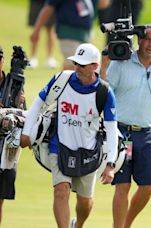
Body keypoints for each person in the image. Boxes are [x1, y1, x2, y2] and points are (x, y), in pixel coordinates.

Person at [20, 43, 118, 228]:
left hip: (88, 152)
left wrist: (110, 164)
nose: (77, 68)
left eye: (82, 65)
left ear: (94, 66)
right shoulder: (62, 80)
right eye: (76, 63)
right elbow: (38, 103)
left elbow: (111, 129)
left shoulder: (104, 92)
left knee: (85, 202)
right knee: (61, 191)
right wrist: (26, 132)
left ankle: (78, 224)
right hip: (59, 146)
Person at [105, 24, 151, 228]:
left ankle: (125, 224)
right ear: (139, 40)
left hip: (145, 134)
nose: (150, 44)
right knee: (123, 185)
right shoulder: (121, 64)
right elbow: (104, 92)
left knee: (148, 186)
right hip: (122, 134)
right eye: (147, 39)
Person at [30, 0, 109, 70]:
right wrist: (37, 30)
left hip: (85, 35)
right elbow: (48, 8)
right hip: (68, 34)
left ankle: (61, 85)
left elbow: (103, 5)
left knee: (85, 66)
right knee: (74, 65)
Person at [0, 45, 26, 226]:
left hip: (6, 146)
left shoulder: (13, 83)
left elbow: (24, 116)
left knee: (0, 198)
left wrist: (18, 105)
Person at [28, 0, 59, 69]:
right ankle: (33, 57)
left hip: (50, 2)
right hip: (37, 2)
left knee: (50, 29)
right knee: (36, 29)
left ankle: (50, 58)